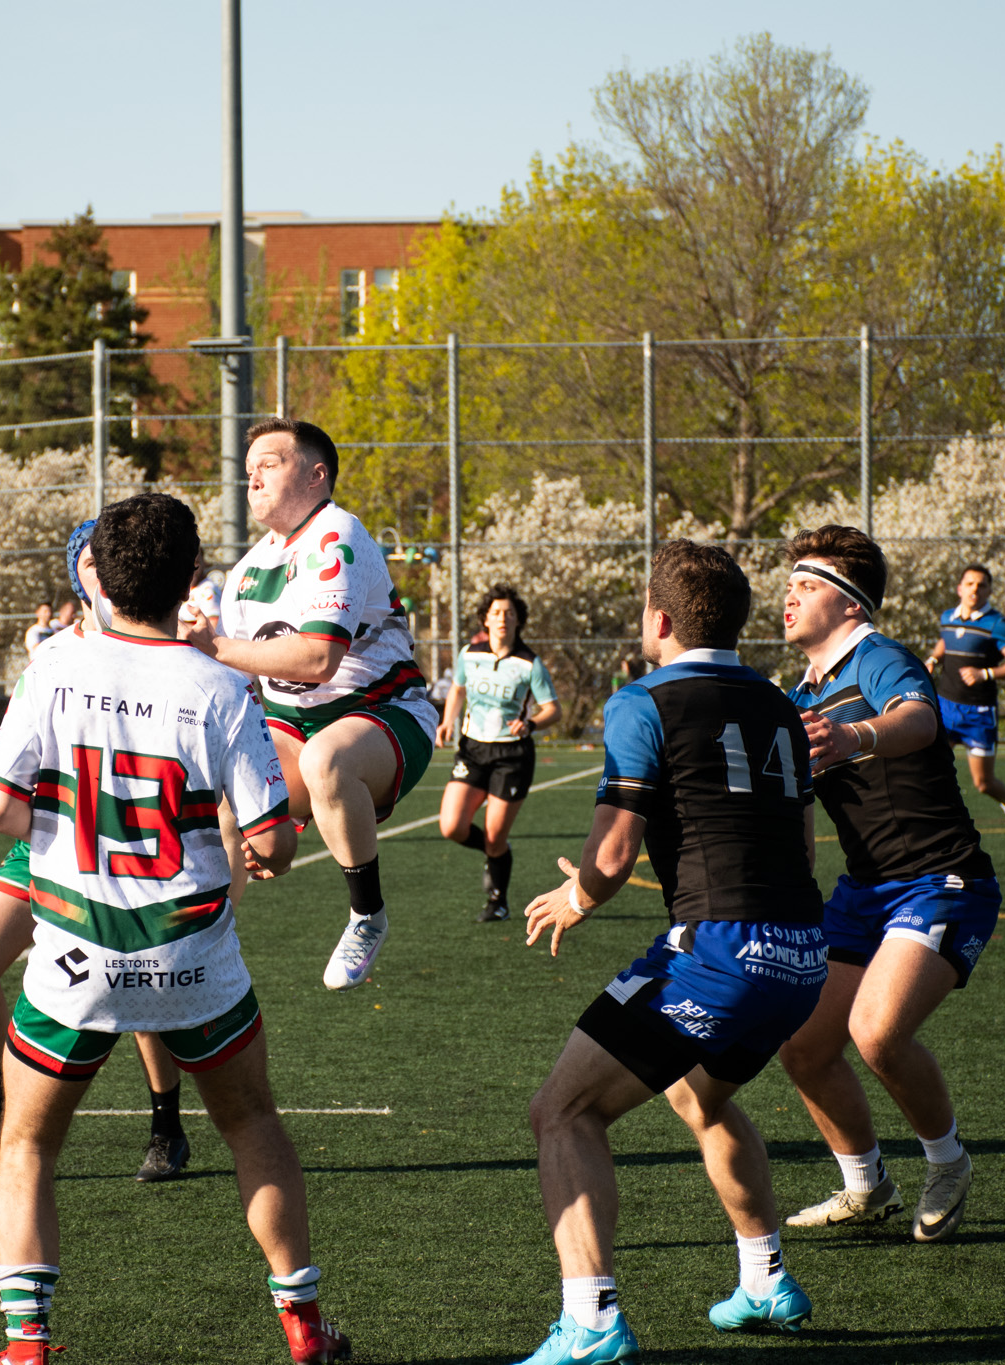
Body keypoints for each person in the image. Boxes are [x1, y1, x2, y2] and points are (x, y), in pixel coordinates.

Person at [0, 493, 348, 1365]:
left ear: (98, 579)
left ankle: (27, 1343)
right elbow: (272, 841)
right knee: (253, 1126)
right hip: (191, 955)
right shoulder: (219, 685)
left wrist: (64, 830)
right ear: (192, 579)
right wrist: (265, 847)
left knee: (27, 1145)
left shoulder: (53, 667)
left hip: (75, 954)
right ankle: (302, 1324)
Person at [516, 540, 826, 1363]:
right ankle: (764, 1277)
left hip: (720, 950)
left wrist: (577, 897)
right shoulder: (779, 704)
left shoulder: (643, 700)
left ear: (658, 619)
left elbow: (613, 855)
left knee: (562, 1112)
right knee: (700, 1096)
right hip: (803, 952)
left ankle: (592, 1320)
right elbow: (803, 846)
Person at [0, 520, 205, 1187]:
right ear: (78, 576)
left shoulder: (163, 645)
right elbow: (13, 775)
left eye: (107, 558)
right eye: (88, 560)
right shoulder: (53, 655)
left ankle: (167, 1125)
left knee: (136, 981)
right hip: (48, 843)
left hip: (128, 849)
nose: (101, 569)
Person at [779, 526, 996, 1244]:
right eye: (790, 584)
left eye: (807, 585)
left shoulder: (879, 657)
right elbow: (797, 808)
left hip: (941, 881)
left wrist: (856, 736)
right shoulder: (800, 692)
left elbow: (919, 719)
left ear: (849, 602)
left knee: (875, 1031)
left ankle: (949, 1162)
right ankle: (865, 1184)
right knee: (803, 1044)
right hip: (864, 891)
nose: (790, 596)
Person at [193, 418, 439, 991]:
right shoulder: (246, 570)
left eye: (269, 464)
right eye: (248, 470)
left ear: (316, 475)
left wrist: (213, 646)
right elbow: (243, 682)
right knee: (225, 790)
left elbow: (319, 658)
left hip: (386, 713)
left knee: (325, 760)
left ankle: (367, 915)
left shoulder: (337, 533)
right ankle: (205, 946)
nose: (253, 479)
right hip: (293, 726)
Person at [436, 584, 561, 922]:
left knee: (494, 836)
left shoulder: (529, 664)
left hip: (512, 756)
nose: (502, 618)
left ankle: (498, 902)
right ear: (486, 619)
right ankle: (497, 853)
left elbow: (553, 710)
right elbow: (458, 688)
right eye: (496, 613)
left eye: (509, 613)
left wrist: (530, 724)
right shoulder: (469, 654)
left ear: (519, 620)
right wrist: (447, 721)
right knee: (451, 826)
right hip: (472, 750)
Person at [925, 564, 1005, 845]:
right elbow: (945, 641)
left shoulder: (997, 624)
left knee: (983, 783)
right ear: (960, 588)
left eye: (981, 585)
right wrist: (933, 660)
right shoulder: (948, 617)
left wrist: (985, 673)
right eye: (970, 583)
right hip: (945, 708)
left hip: (979, 714)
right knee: (928, 768)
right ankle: (933, 828)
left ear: (989, 591)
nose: (975, 589)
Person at [182, 563, 222, 635]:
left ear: (203, 563)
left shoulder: (208, 589)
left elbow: (212, 630)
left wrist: (179, 626)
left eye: (197, 562)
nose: (194, 567)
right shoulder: (187, 588)